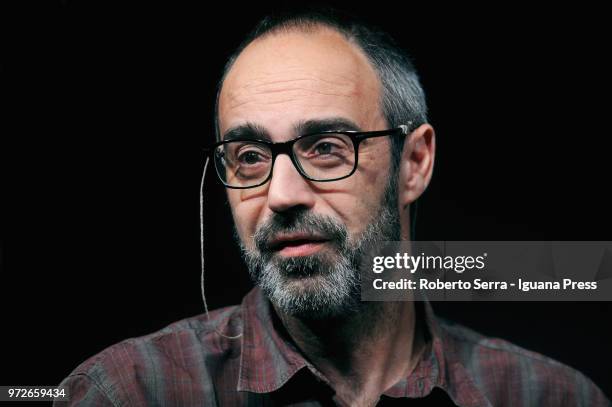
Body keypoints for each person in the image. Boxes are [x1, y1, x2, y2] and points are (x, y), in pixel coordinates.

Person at [56, 9, 609, 407]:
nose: (281, 195)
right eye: (249, 156)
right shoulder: (124, 393)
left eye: (325, 148)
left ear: (413, 163)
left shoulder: (553, 397)